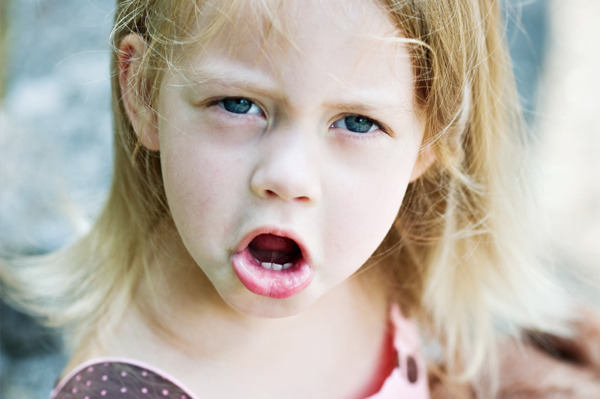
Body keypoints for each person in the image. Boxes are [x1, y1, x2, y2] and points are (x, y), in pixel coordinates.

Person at [2, 0, 599, 397]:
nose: (289, 177)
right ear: (143, 92)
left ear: (431, 138)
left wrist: (489, 373)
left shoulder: (378, 247)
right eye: (238, 104)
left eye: (357, 123)